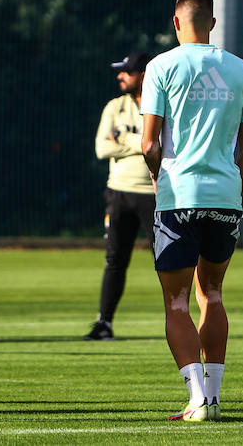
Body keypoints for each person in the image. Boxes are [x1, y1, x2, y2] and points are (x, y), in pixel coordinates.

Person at [141, 0, 243, 422]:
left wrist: (158, 179)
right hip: (224, 197)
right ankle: (214, 396)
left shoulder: (161, 66)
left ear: (176, 23)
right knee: (213, 293)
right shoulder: (240, 69)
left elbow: (149, 143)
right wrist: (235, 189)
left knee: (176, 303)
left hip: (178, 195)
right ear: (212, 23)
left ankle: (196, 401)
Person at [86, 51, 156, 341]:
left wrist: (124, 140)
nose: (120, 76)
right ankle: (104, 323)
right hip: (119, 193)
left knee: (166, 262)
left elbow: (162, 145)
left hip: (155, 195)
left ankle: (178, 320)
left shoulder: (162, 106)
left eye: (126, 72)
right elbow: (102, 148)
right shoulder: (115, 107)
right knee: (115, 260)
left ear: (142, 76)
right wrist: (142, 143)